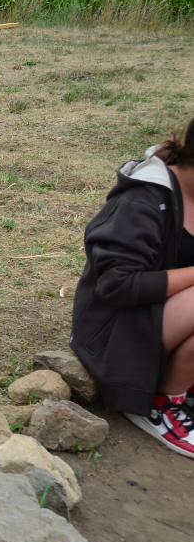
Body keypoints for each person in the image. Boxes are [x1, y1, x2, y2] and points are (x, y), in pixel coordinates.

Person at [71, 117, 194, 458]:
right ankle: (160, 405)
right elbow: (118, 286)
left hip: (167, 315)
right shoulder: (144, 199)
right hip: (116, 330)